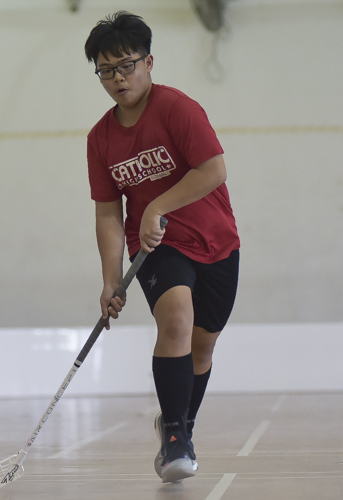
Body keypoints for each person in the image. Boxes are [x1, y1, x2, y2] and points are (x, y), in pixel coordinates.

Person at [84, 11, 240, 484]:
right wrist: (112, 278)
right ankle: (175, 436)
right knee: (176, 319)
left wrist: (156, 206)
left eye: (125, 65)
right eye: (105, 70)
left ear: (148, 62)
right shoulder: (100, 139)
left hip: (216, 242)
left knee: (202, 349)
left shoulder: (177, 109)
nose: (117, 78)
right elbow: (109, 212)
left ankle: (179, 422)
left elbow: (213, 169)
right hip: (156, 249)